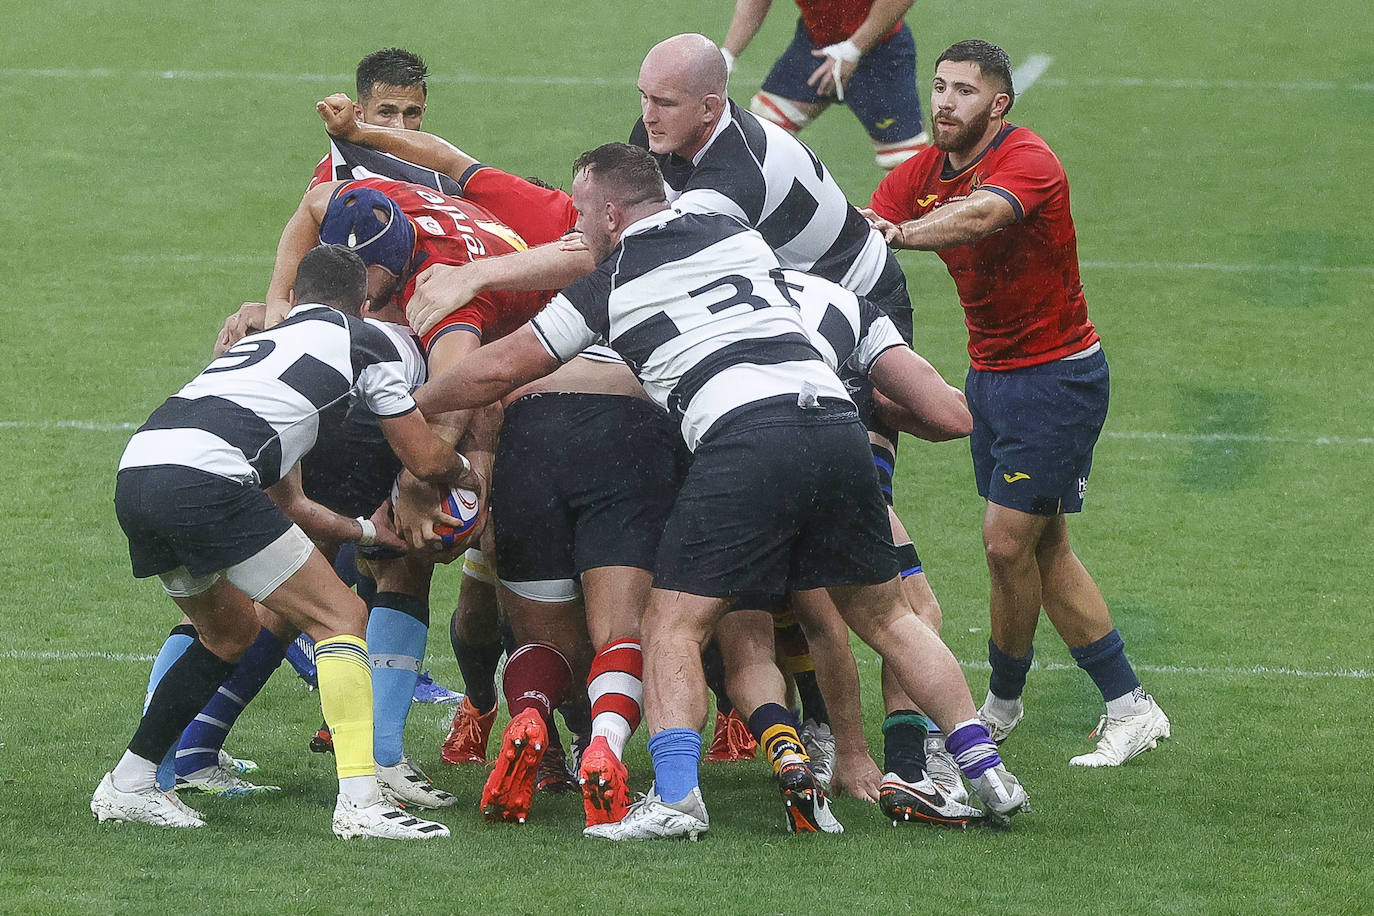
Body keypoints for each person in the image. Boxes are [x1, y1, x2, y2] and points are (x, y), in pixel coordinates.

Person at [408, 142, 1030, 839]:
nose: (572, 230)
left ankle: (677, 799)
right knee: (888, 619)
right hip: (835, 430)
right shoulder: (734, 230)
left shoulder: (613, 284)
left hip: (742, 442)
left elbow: (500, 368)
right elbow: (951, 415)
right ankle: (986, 775)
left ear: (611, 214)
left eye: (580, 212)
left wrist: (409, 408)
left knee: (673, 625)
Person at [94, 244, 478, 838]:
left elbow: (291, 505)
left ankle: (130, 782)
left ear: (293, 299)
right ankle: (362, 804)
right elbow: (424, 457)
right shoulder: (365, 341)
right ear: (365, 304)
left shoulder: (257, 346)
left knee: (227, 632)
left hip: (139, 470)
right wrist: (466, 476)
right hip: (208, 478)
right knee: (342, 614)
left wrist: (363, 531)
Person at [864, 39, 1171, 767]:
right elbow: (860, 228)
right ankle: (1120, 706)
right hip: (992, 377)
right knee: (1040, 546)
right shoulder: (920, 173)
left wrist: (900, 232)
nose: (943, 102)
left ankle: (1011, 704)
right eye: (938, 87)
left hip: (1056, 379)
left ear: (998, 106)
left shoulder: (1027, 160)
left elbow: (978, 219)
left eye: (964, 91)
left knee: (1006, 542)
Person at [720, 0, 929, 169]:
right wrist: (727, 55)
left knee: (906, 165)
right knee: (755, 139)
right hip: (816, 43)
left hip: (879, 48)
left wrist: (852, 50)